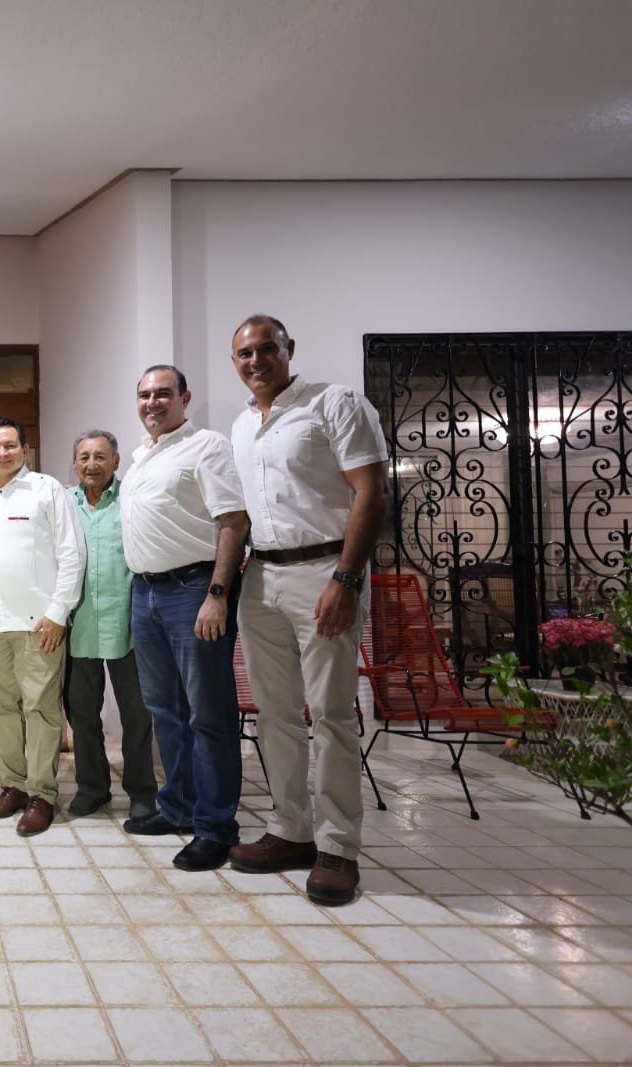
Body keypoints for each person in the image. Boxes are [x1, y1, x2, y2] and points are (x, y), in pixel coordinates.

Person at [225, 314, 389, 906]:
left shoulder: (333, 403)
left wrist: (346, 578)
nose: (255, 361)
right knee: (275, 715)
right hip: (261, 576)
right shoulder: (243, 424)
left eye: (266, 349)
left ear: (288, 349)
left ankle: (338, 846)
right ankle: (290, 830)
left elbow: (371, 490)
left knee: (331, 713)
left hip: (325, 570)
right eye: (244, 353)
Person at [118, 368, 250, 871]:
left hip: (193, 590)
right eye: (144, 394)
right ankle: (178, 807)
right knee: (165, 710)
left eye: (162, 394)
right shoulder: (142, 456)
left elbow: (233, 522)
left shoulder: (206, 446)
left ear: (184, 398)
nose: (152, 402)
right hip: (145, 591)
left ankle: (216, 827)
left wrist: (218, 594)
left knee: (208, 714)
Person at [0, 417, 85, 837]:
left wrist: (58, 612)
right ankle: (15, 785)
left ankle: (42, 794)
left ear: (25, 449)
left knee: (41, 708)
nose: (2, 453)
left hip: (39, 623)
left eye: (10, 445)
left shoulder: (47, 490)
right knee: (2, 708)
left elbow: (72, 553)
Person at [63, 430, 157, 822]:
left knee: (137, 715)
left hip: (128, 624)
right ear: (74, 463)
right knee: (82, 714)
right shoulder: (63, 504)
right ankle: (92, 788)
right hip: (78, 624)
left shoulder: (131, 500)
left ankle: (142, 792)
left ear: (116, 462)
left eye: (100, 457)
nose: (92, 465)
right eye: (84, 457)